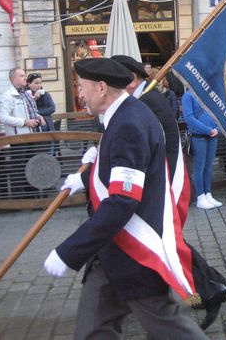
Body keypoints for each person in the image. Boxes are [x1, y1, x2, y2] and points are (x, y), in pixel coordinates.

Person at [44, 58, 207, 339]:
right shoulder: (126, 116)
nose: (80, 94)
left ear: (102, 88)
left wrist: (70, 251)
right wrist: (86, 178)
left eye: (82, 87)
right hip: (112, 250)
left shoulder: (127, 124)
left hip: (134, 249)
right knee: (93, 330)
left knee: (168, 328)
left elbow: (123, 199)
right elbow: (121, 172)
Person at [111, 55, 226, 330]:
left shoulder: (147, 101)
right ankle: (208, 286)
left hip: (159, 178)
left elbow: (152, 145)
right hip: (157, 177)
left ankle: (209, 288)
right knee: (160, 240)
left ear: (131, 80)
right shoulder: (143, 99)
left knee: (164, 240)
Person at [182, 91, 222, 210]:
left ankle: (208, 194)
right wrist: (208, 130)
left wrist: (217, 128)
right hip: (199, 136)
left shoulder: (209, 93)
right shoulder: (188, 96)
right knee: (199, 167)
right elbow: (189, 118)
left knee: (208, 167)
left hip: (212, 135)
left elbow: (218, 113)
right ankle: (200, 196)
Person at [0, 68, 44, 136]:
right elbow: (3, 117)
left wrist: (39, 116)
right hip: (20, 138)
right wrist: (24, 122)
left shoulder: (26, 93)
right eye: (22, 76)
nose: (25, 78)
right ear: (13, 79)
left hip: (35, 133)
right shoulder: (8, 95)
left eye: (25, 76)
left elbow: (29, 112)